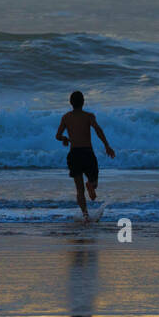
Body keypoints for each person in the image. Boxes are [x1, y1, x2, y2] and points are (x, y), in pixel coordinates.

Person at [55, 90, 115, 220]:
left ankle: (86, 215)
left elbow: (57, 136)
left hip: (74, 153)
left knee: (79, 190)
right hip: (87, 153)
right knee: (94, 181)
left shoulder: (66, 117)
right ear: (83, 102)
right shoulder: (89, 116)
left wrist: (65, 139)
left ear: (71, 103)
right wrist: (107, 145)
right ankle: (91, 185)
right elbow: (98, 130)